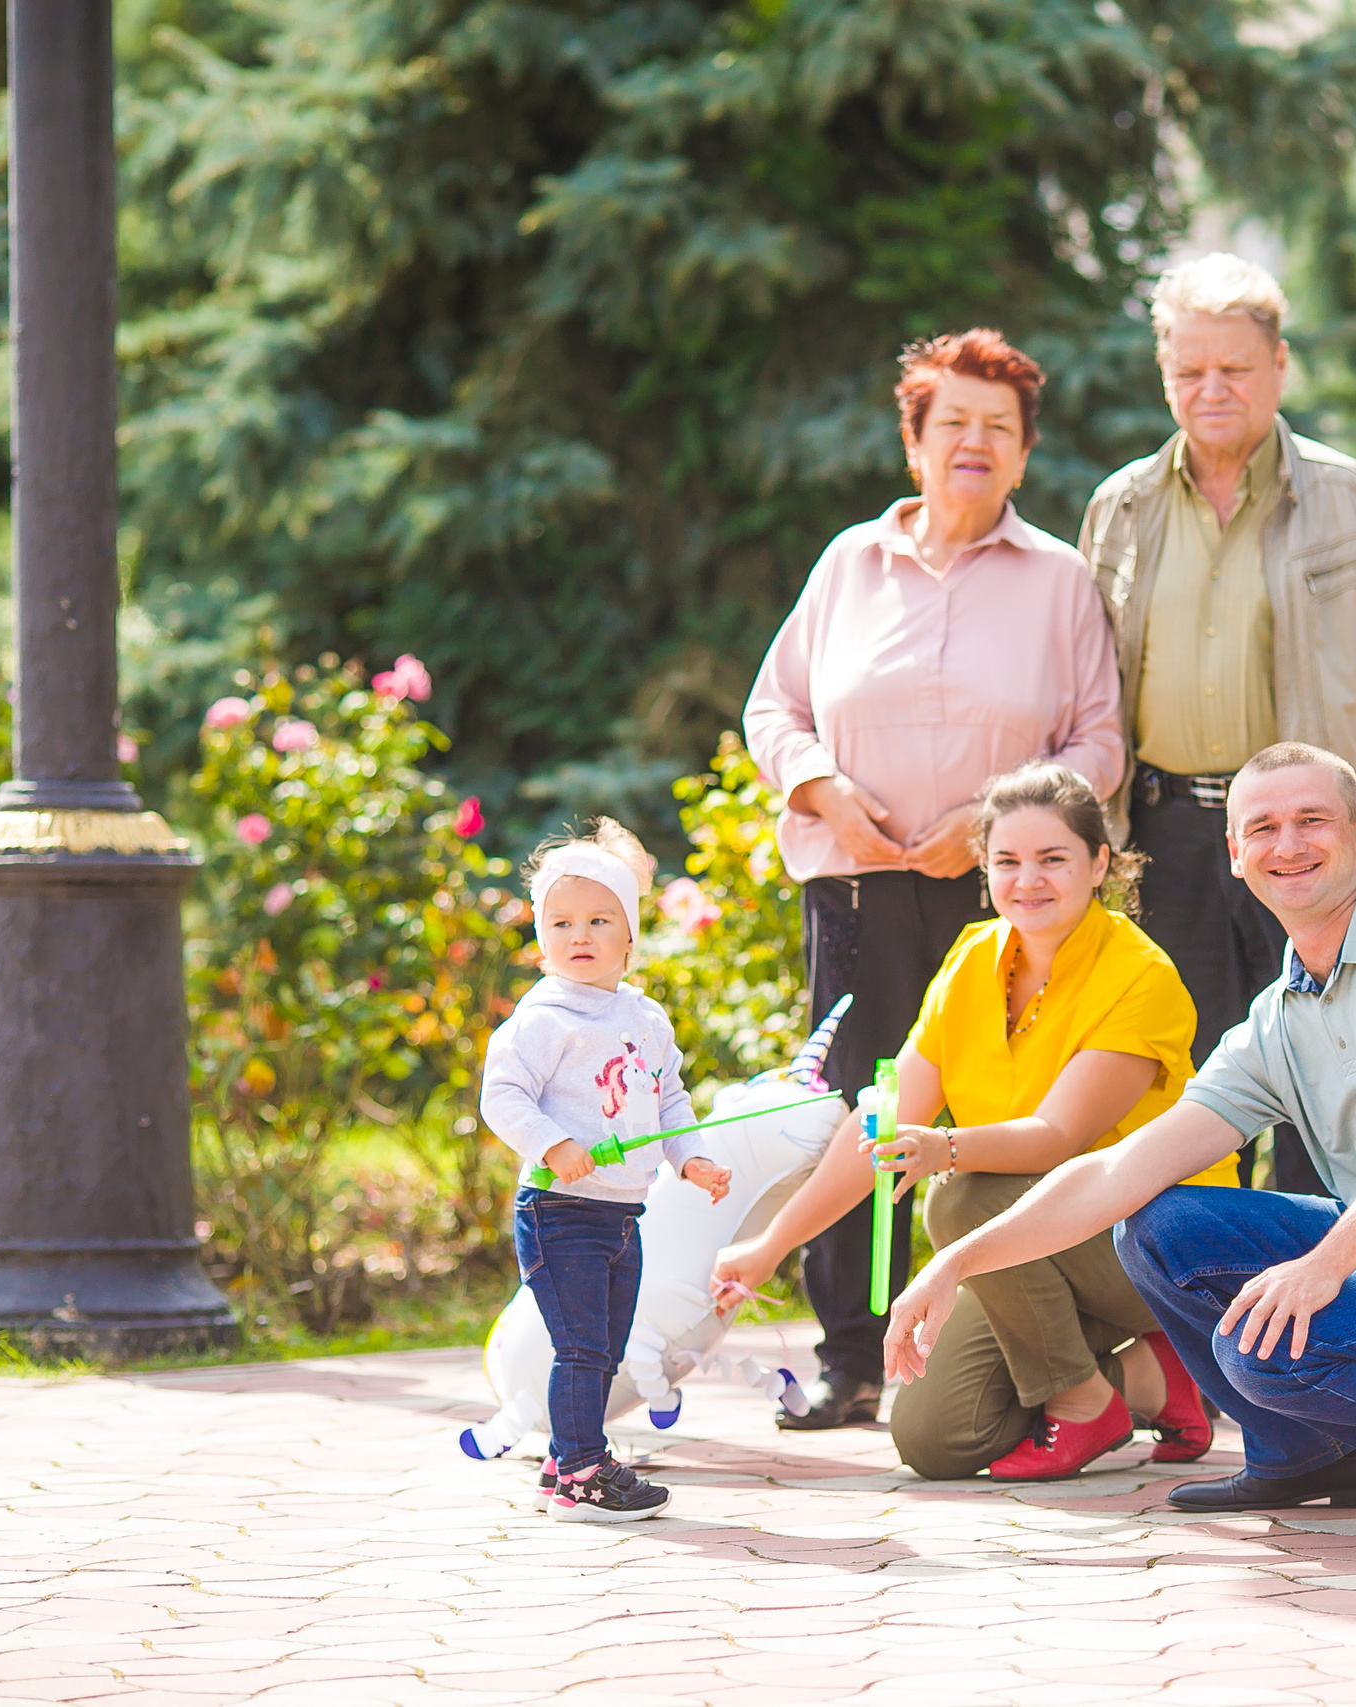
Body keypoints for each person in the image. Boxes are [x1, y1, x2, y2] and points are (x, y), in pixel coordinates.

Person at [883, 744, 1356, 1539]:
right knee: (1157, 1228)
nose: (1287, 844)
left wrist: (1324, 1265)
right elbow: (1120, 1168)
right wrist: (954, 1261)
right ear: (1234, 853)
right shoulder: (1277, 1018)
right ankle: (1307, 1455)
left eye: (1311, 820)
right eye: (1262, 826)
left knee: (1261, 1351)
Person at [744, 330, 1124, 1430]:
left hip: (1001, 902)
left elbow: (1100, 741)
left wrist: (998, 819)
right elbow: (775, 709)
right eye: (950, 422)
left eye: (996, 429)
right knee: (859, 1117)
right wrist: (820, 789)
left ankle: (999, 1348)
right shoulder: (847, 565)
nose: (973, 442)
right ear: (913, 444)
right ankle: (849, 1358)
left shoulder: (1057, 580)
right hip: (858, 895)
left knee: (995, 1122)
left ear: (1022, 455)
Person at [712, 764, 1233, 1481]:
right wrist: (769, 1245)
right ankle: (1154, 1377)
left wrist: (944, 1148)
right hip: (1032, 1245)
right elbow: (884, 1122)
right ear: (984, 870)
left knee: (960, 1194)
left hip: (1149, 1244)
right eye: (1007, 861)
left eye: (1054, 859)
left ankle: (1085, 1400)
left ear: (1100, 862)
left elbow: (1058, 1137)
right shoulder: (970, 959)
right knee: (936, 1437)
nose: (1029, 880)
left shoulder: (1141, 975)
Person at [1076, 254, 1356, 1196]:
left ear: (1279, 365)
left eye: (1236, 368)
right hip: (1167, 839)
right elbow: (1087, 686)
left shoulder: (1355, 498)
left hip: (1314, 839)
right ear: (1165, 375)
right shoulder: (1120, 507)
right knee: (1187, 1092)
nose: (1212, 390)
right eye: (1190, 370)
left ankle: (1319, 1316)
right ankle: (1199, 1322)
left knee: (1329, 1084)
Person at [481, 820, 734, 1522]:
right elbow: (501, 1095)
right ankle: (582, 1474)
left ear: (631, 936)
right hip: (559, 1208)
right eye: (560, 922)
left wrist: (693, 1158)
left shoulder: (644, 1016)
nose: (579, 934)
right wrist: (555, 1143)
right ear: (540, 936)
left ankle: (568, 1457)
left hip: (621, 1211)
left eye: (599, 919)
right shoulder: (545, 1016)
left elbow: (669, 1098)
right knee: (583, 1344)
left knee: (607, 1344)